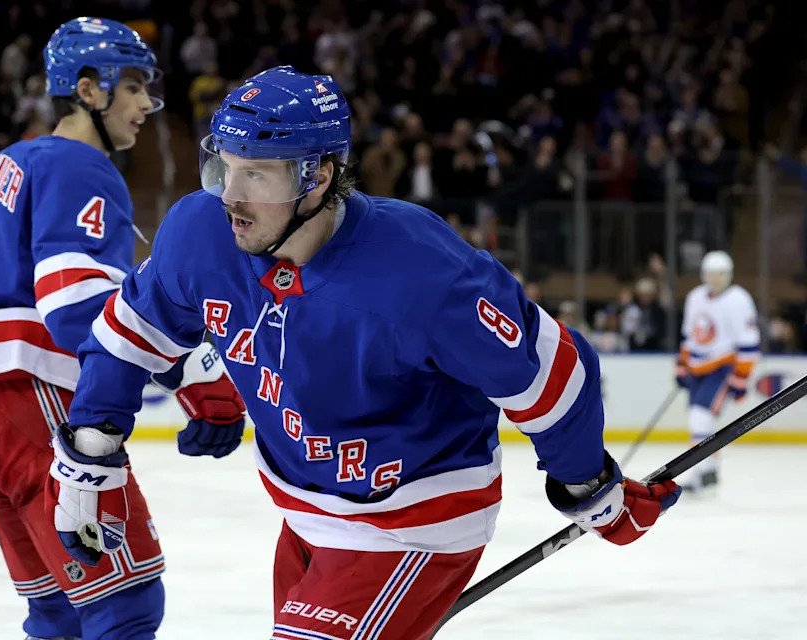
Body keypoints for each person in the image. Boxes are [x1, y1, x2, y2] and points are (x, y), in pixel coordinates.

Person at [58, 66, 680, 639]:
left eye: (257, 173)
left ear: (317, 176)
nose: (229, 195)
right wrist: (85, 467)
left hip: (415, 518)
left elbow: (550, 374)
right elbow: (126, 336)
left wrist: (588, 483)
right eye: (223, 166)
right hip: (303, 514)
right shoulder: (199, 233)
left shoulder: (419, 268)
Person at [0, 18, 244, 640]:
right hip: (29, 394)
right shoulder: (80, 164)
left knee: (61, 612)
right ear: (89, 90)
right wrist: (196, 379)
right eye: (132, 87)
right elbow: (79, 305)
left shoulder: (13, 160)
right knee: (122, 603)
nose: (147, 105)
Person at [675, 251, 759, 491]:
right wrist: (682, 365)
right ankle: (709, 469)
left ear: (728, 274)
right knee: (698, 419)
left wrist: (741, 377)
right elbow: (688, 336)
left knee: (700, 417)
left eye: (720, 273)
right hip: (697, 369)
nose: (714, 278)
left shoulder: (739, 300)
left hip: (723, 367)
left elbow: (749, 342)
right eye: (710, 273)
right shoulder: (695, 298)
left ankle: (701, 474)